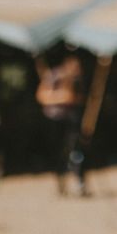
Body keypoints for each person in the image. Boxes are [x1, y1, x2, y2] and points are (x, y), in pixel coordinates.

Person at [35, 54, 88, 196]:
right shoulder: (54, 75)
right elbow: (42, 95)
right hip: (55, 120)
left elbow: (78, 98)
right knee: (59, 152)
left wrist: (69, 97)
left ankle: (79, 181)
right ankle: (61, 180)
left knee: (76, 151)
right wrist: (61, 97)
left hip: (72, 120)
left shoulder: (78, 79)